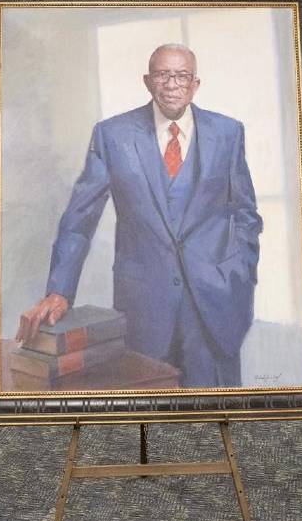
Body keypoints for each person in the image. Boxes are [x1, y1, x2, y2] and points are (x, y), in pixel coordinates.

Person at [19, 43, 262, 388]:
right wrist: (59, 290)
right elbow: (79, 219)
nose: (172, 84)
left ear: (196, 84)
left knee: (213, 413)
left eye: (182, 76)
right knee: (145, 414)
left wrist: (240, 272)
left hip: (215, 305)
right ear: (148, 81)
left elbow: (246, 214)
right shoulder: (113, 135)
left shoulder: (228, 132)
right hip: (144, 309)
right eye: (163, 75)